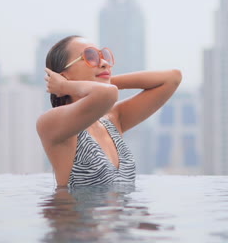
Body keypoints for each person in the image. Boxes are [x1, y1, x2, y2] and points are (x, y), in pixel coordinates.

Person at [36, 35, 182, 187]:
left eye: (103, 56)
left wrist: (102, 80)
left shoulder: (112, 119)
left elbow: (172, 78)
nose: (104, 63)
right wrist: (69, 86)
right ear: (65, 75)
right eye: (91, 57)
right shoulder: (52, 124)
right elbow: (108, 94)